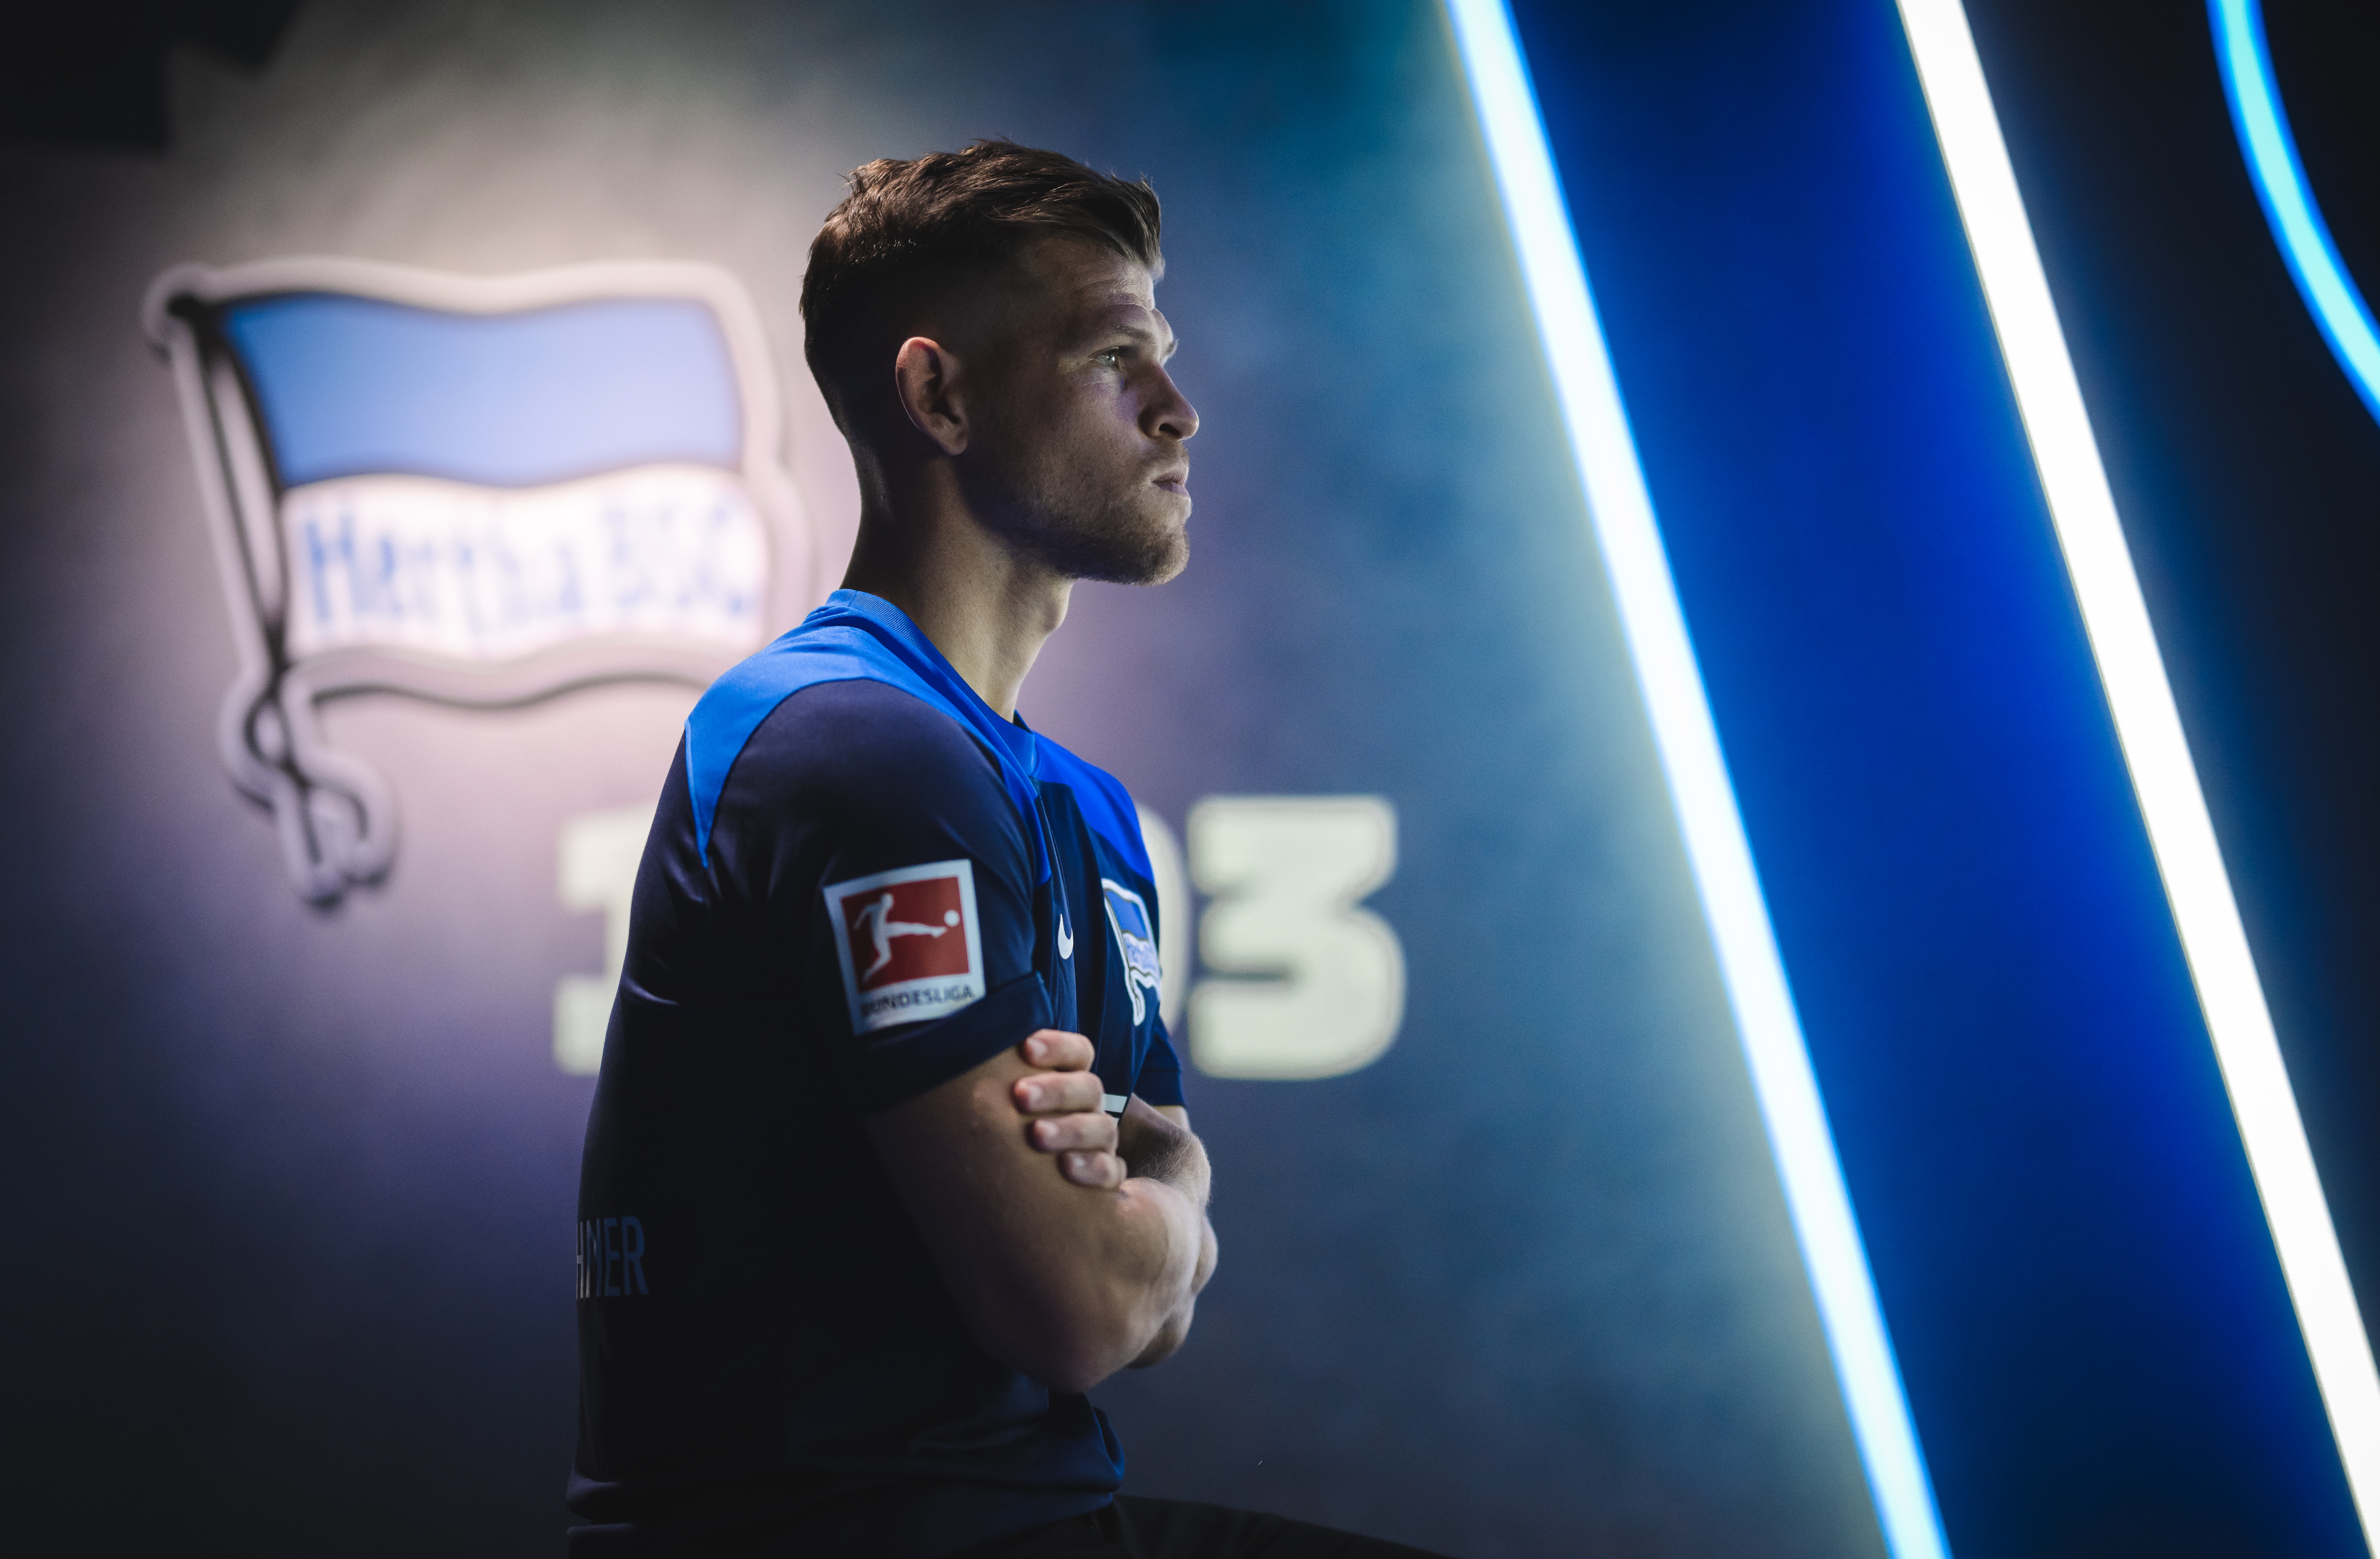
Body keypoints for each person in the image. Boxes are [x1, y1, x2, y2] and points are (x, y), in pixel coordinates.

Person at [568, 139, 1448, 1559]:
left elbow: (1130, 1276)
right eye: (1115, 358)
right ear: (940, 395)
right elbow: (1085, 1309)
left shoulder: (1085, 810)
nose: (1179, 411)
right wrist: (1187, 1205)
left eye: (1162, 356)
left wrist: (1150, 1216)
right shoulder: (846, 747)